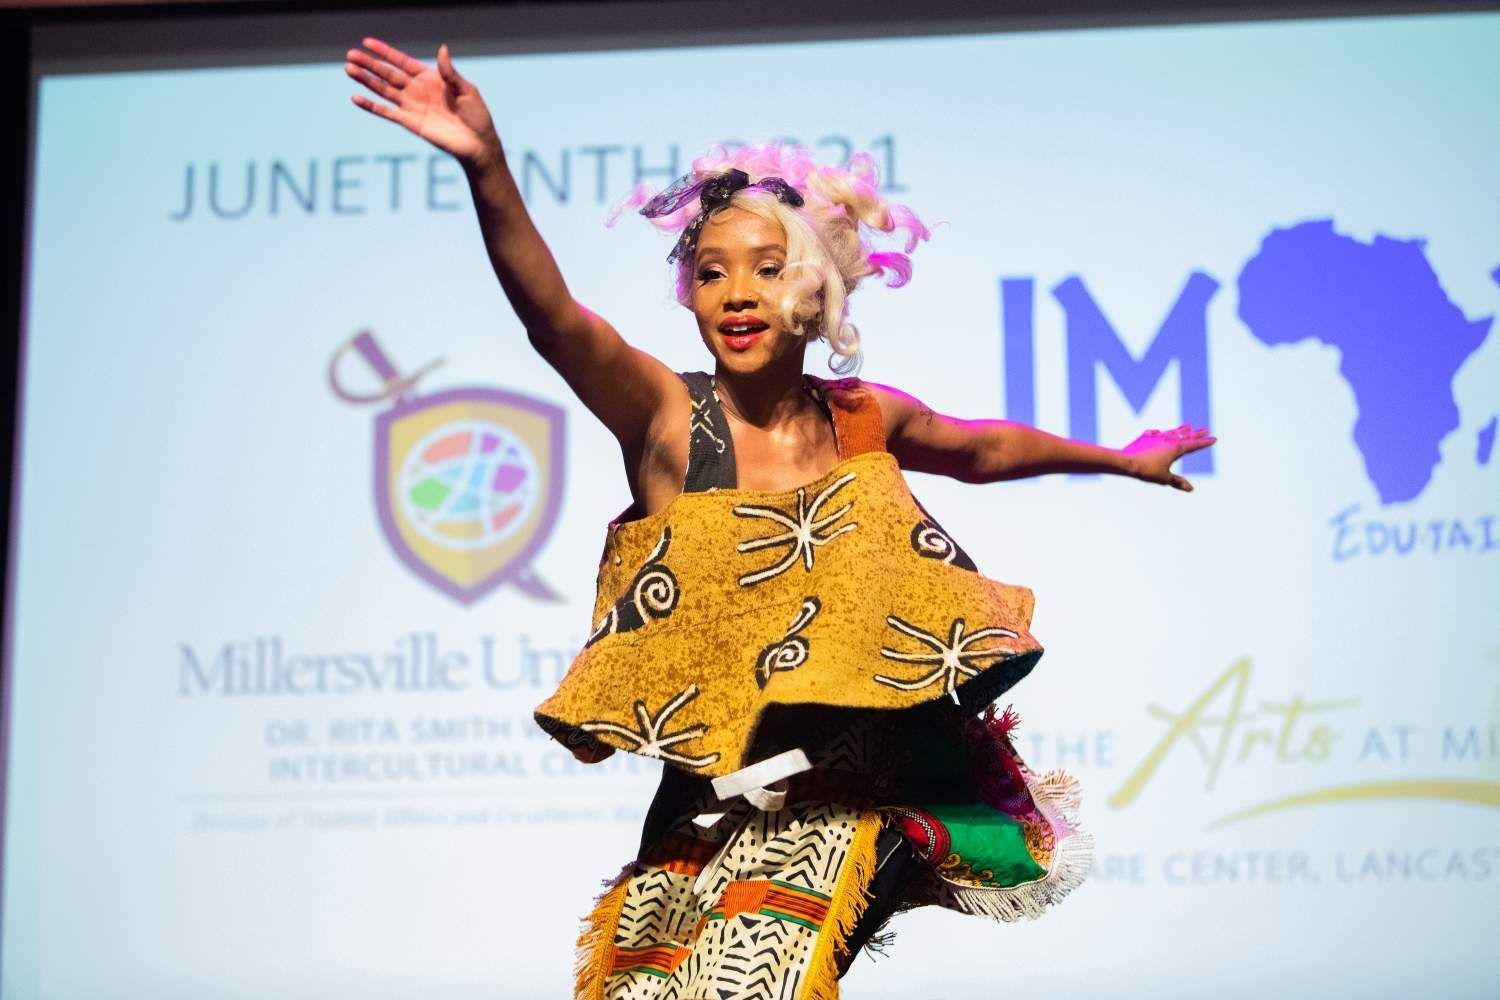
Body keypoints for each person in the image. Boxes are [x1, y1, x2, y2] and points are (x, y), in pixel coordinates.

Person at [346, 37, 1216, 999]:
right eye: (712, 273)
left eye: (765, 268)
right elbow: (555, 318)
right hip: (714, 794)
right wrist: (488, 168)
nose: (737, 293)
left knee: (772, 957)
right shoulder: (668, 418)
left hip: (854, 785)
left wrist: (1120, 459)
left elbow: (981, 448)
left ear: (815, 292)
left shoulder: (859, 418)